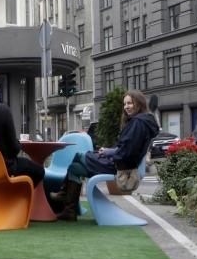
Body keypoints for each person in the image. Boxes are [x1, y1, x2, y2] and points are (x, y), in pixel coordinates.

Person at [50, 90, 159, 221]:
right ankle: (69, 210)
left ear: (139, 103)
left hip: (120, 167)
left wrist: (109, 152)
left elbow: (127, 152)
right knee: (74, 167)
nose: (126, 107)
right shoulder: (141, 121)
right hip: (121, 163)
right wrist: (110, 151)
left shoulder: (138, 123)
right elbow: (127, 148)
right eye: (125, 104)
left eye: (130, 103)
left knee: (79, 155)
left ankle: (64, 195)